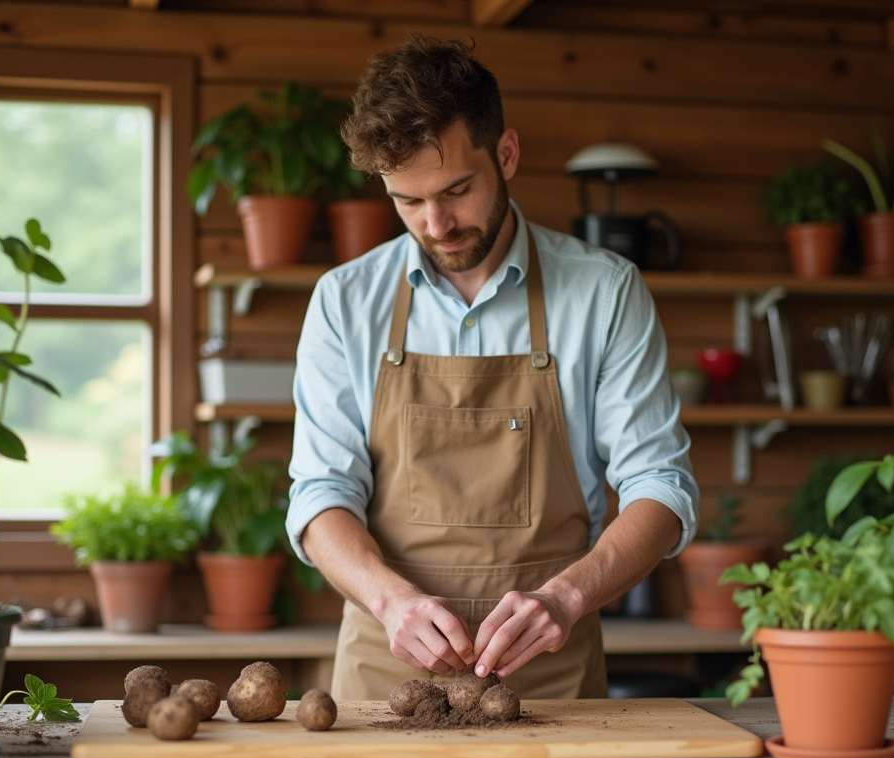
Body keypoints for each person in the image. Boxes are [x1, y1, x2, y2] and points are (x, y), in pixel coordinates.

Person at [286, 33, 698, 700]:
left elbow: (660, 487)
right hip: (388, 669)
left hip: (549, 671)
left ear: (505, 153)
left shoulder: (604, 291)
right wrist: (392, 604)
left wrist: (566, 597)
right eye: (407, 201)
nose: (436, 223)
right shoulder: (345, 301)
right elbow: (319, 494)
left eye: (456, 190)